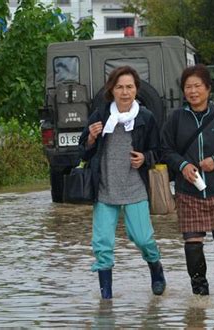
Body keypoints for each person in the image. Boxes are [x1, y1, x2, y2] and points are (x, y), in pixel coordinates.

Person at [78, 66, 166, 299]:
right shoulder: (100, 115)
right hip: (105, 188)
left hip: (135, 187)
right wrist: (91, 137)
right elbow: (83, 152)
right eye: (119, 87)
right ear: (111, 90)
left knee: (143, 238)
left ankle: (156, 269)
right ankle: (106, 298)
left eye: (129, 87)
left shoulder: (146, 117)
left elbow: (158, 151)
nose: (125, 92)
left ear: (137, 89)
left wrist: (145, 157)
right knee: (103, 245)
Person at [161, 64, 214, 296]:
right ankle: (199, 289)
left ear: (208, 89)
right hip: (188, 191)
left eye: (198, 86)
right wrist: (183, 165)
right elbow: (165, 149)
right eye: (188, 87)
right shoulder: (176, 119)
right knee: (193, 242)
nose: (193, 91)